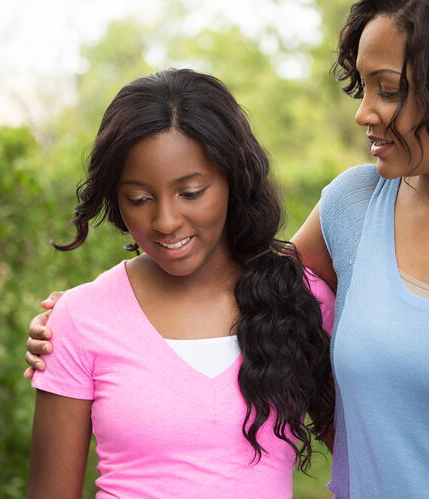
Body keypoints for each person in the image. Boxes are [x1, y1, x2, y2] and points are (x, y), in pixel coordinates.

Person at [26, 0, 429, 497]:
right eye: (365, 86)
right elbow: (242, 282)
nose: (364, 112)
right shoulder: (352, 208)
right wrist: (90, 316)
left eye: (389, 90)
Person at [25, 68, 336, 498]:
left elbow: (369, 456)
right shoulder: (80, 318)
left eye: (190, 193)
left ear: (233, 179)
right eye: (139, 199)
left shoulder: (300, 300)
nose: (166, 222)